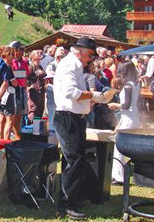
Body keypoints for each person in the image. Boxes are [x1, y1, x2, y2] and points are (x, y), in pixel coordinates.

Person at [53, 37, 115, 220]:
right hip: (67, 118)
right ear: (79, 51)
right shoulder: (70, 65)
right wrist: (95, 95)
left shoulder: (76, 65)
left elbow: (78, 94)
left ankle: (71, 198)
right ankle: (65, 204)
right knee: (74, 160)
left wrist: (95, 98)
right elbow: (71, 93)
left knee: (74, 159)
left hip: (75, 118)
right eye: (89, 54)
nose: (91, 58)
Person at [108, 61, 141, 184]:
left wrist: (115, 105)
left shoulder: (128, 86)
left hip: (128, 118)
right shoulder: (137, 84)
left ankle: (118, 177)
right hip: (134, 118)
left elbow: (126, 105)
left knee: (118, 148)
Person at [9, 41, 29, 140]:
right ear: (14, 50)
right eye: (20, 49)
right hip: (13, 91)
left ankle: (17, 135)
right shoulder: (10, 62)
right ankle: (11, 134)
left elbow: (26, 75)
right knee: (12, 114)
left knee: (19, 114)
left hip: (22, 91)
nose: (22, 52)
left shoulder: (24, 62)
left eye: (23, 50)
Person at [0, 46, 17, 140]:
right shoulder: (8, 67)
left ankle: (0, 139)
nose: (13, 57)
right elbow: (14, 83)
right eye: (12, 54)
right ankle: (6, 140)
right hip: (8, 94)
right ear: (6, 55)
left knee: (1, 118)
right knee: (10, 119)